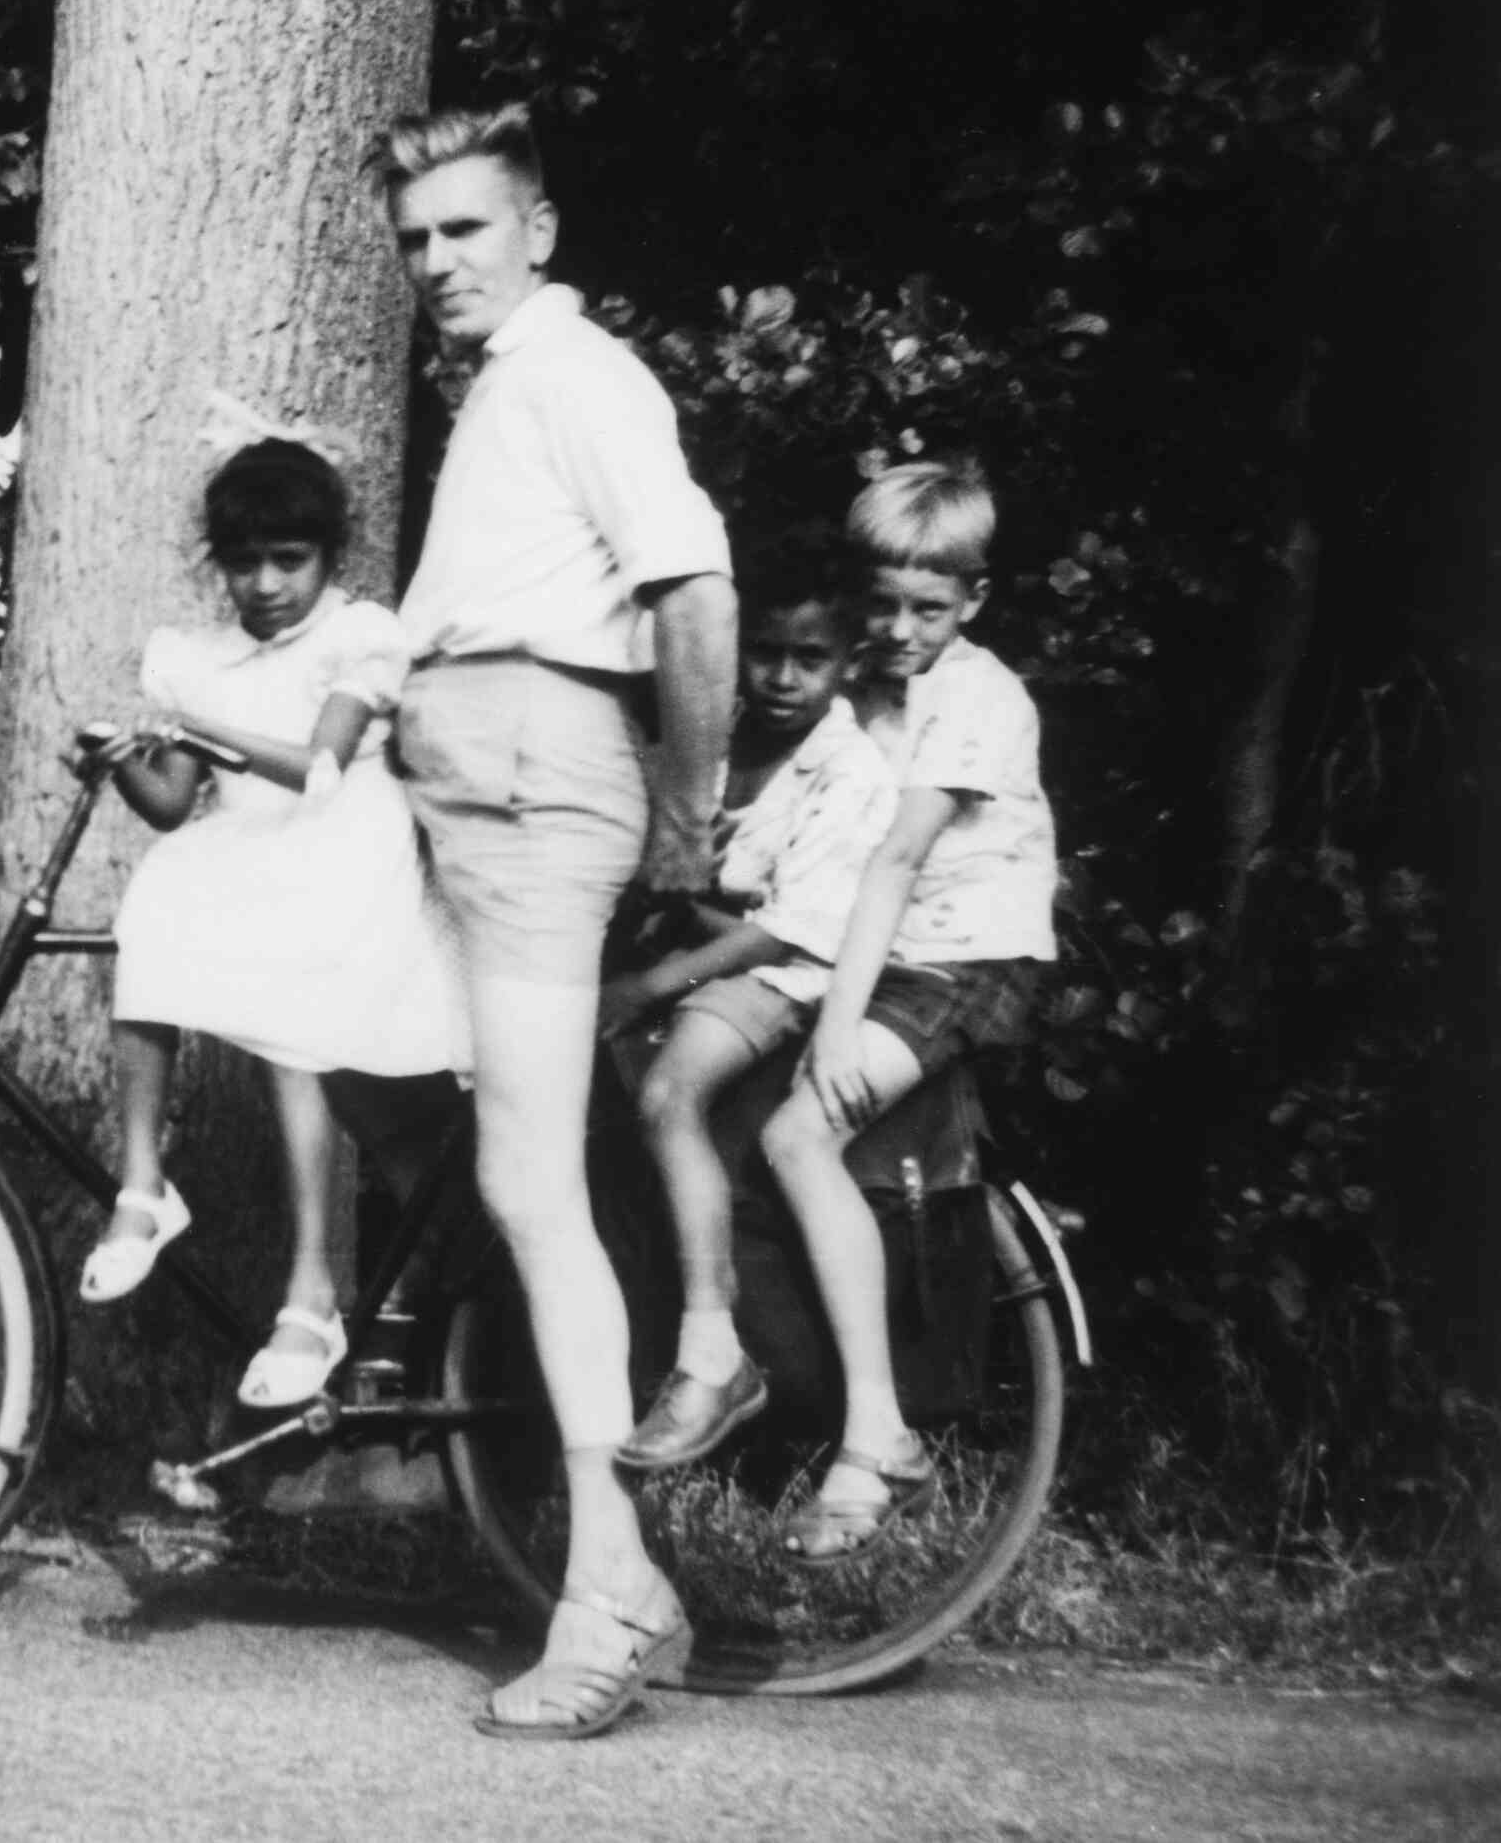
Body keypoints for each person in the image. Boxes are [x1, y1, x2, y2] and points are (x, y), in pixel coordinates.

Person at [377, 102, 737, 1739]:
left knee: (531, 1176)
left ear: (536, 228)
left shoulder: (578, 375)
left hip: (532, 784)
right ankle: (371, 1414)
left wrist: (689, 800)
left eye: (464, 228)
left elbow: (694, 582)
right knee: (399, 1085)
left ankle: (605, 1585)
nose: (435, 260)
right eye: (414, 238)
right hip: (470, 782)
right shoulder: (510, 389)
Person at [74, 423, 467, 1411]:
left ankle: (310, 1293)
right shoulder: (199, 658)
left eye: (288, 560)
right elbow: (171, 802)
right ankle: (141, 1186)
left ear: (330, 556)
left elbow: (321, 768)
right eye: (243, 563)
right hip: (253, 856)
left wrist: (199, 726)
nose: (265, 584)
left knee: (294, 1038)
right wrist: (123, 755)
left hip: (345, 856)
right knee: (152, 912)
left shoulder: (357, 636)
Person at [759, 460, 1055, 1563]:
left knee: (800, 1132)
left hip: (962, 956)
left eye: (925, 608)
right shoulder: (857, 694)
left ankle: (874, 1435)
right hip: (879, 952)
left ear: (973, 601)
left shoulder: (976, 696)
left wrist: (835, 1027)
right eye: (878, 603)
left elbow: (891, 861)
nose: (895, 627)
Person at [594, 530, 900, 1472]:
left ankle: (712, 1349)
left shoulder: (851, 770)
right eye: (763, 651)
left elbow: (787, 930)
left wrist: (650, 980)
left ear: (848, 662)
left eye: (809, 658)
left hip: (788, 974)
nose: (780, 676)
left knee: (669, 1093)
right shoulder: (717, 733)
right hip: (704, 947)